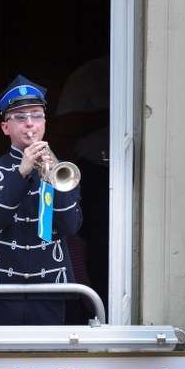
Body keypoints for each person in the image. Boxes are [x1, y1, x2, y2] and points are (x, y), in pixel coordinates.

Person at [0, 75, 83, 325]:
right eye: (20, 117)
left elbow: (70, 226)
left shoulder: (64, 170)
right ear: (5, 127)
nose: (30, 124)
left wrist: (53, 177)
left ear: (45, 122)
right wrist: (21, 173)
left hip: (50, 285)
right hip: (1, 283)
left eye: (36, 115)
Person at [50, 54, 110, 317]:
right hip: (96, 172)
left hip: (136, 172)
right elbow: (63, 125)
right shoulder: (89, 74)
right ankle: (90, 310)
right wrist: (113, 112)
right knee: (91, 246)